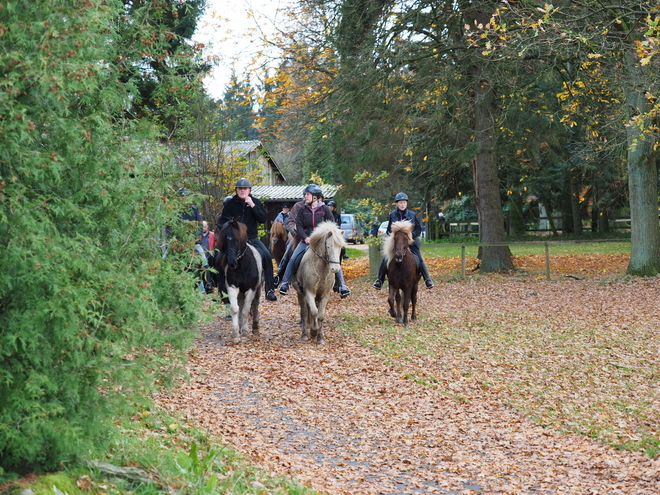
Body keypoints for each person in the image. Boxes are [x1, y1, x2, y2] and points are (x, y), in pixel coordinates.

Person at [279, 185, 351, 298]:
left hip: (322, 241)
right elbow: (299, 225)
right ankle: (285, 282)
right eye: (305, 194)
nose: (305, 196)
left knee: (333, 258)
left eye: (307, 194)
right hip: (306, 240)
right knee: (293, 258)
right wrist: (305, 237)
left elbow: (331, 224)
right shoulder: (302, 209)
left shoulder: (325, 209)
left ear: (315, 197)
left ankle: (342, 285)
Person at [215, 178, 278, 302]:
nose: (242, 191)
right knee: (217, 259)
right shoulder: (230, 204)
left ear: (249, 190)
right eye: (240, 188)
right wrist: (231, 225)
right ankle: (222, 291)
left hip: (251, 238)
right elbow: (222, 221)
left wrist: (252, 205)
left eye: (245, 189)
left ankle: (270, 290)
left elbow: (263, 219)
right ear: (236, 190)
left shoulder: (255, 202)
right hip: (234, 240)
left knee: (266, 256)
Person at [373, 192, 434, 290]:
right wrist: (395, 238)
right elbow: (389, 230)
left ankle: (427, 279)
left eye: (404, 203)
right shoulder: (392, 215)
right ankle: (379, 280)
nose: (402, 204)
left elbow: (418, 229)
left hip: (410, 242)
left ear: (406, 204)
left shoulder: (412, 214)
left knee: (419, 258)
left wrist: (410, 236)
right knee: (385, 259)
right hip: (397, 243)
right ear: (397, 204)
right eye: (400, 203)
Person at [198, 220, 216, 294]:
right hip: (200, 257)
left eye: (204, 226)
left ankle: (210, 285)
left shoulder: (213, 235)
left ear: (207, 226)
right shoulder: (198, 236)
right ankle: (202, 289)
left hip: (210, 256)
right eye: (202, 226)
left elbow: (215, 246)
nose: (203, 228)